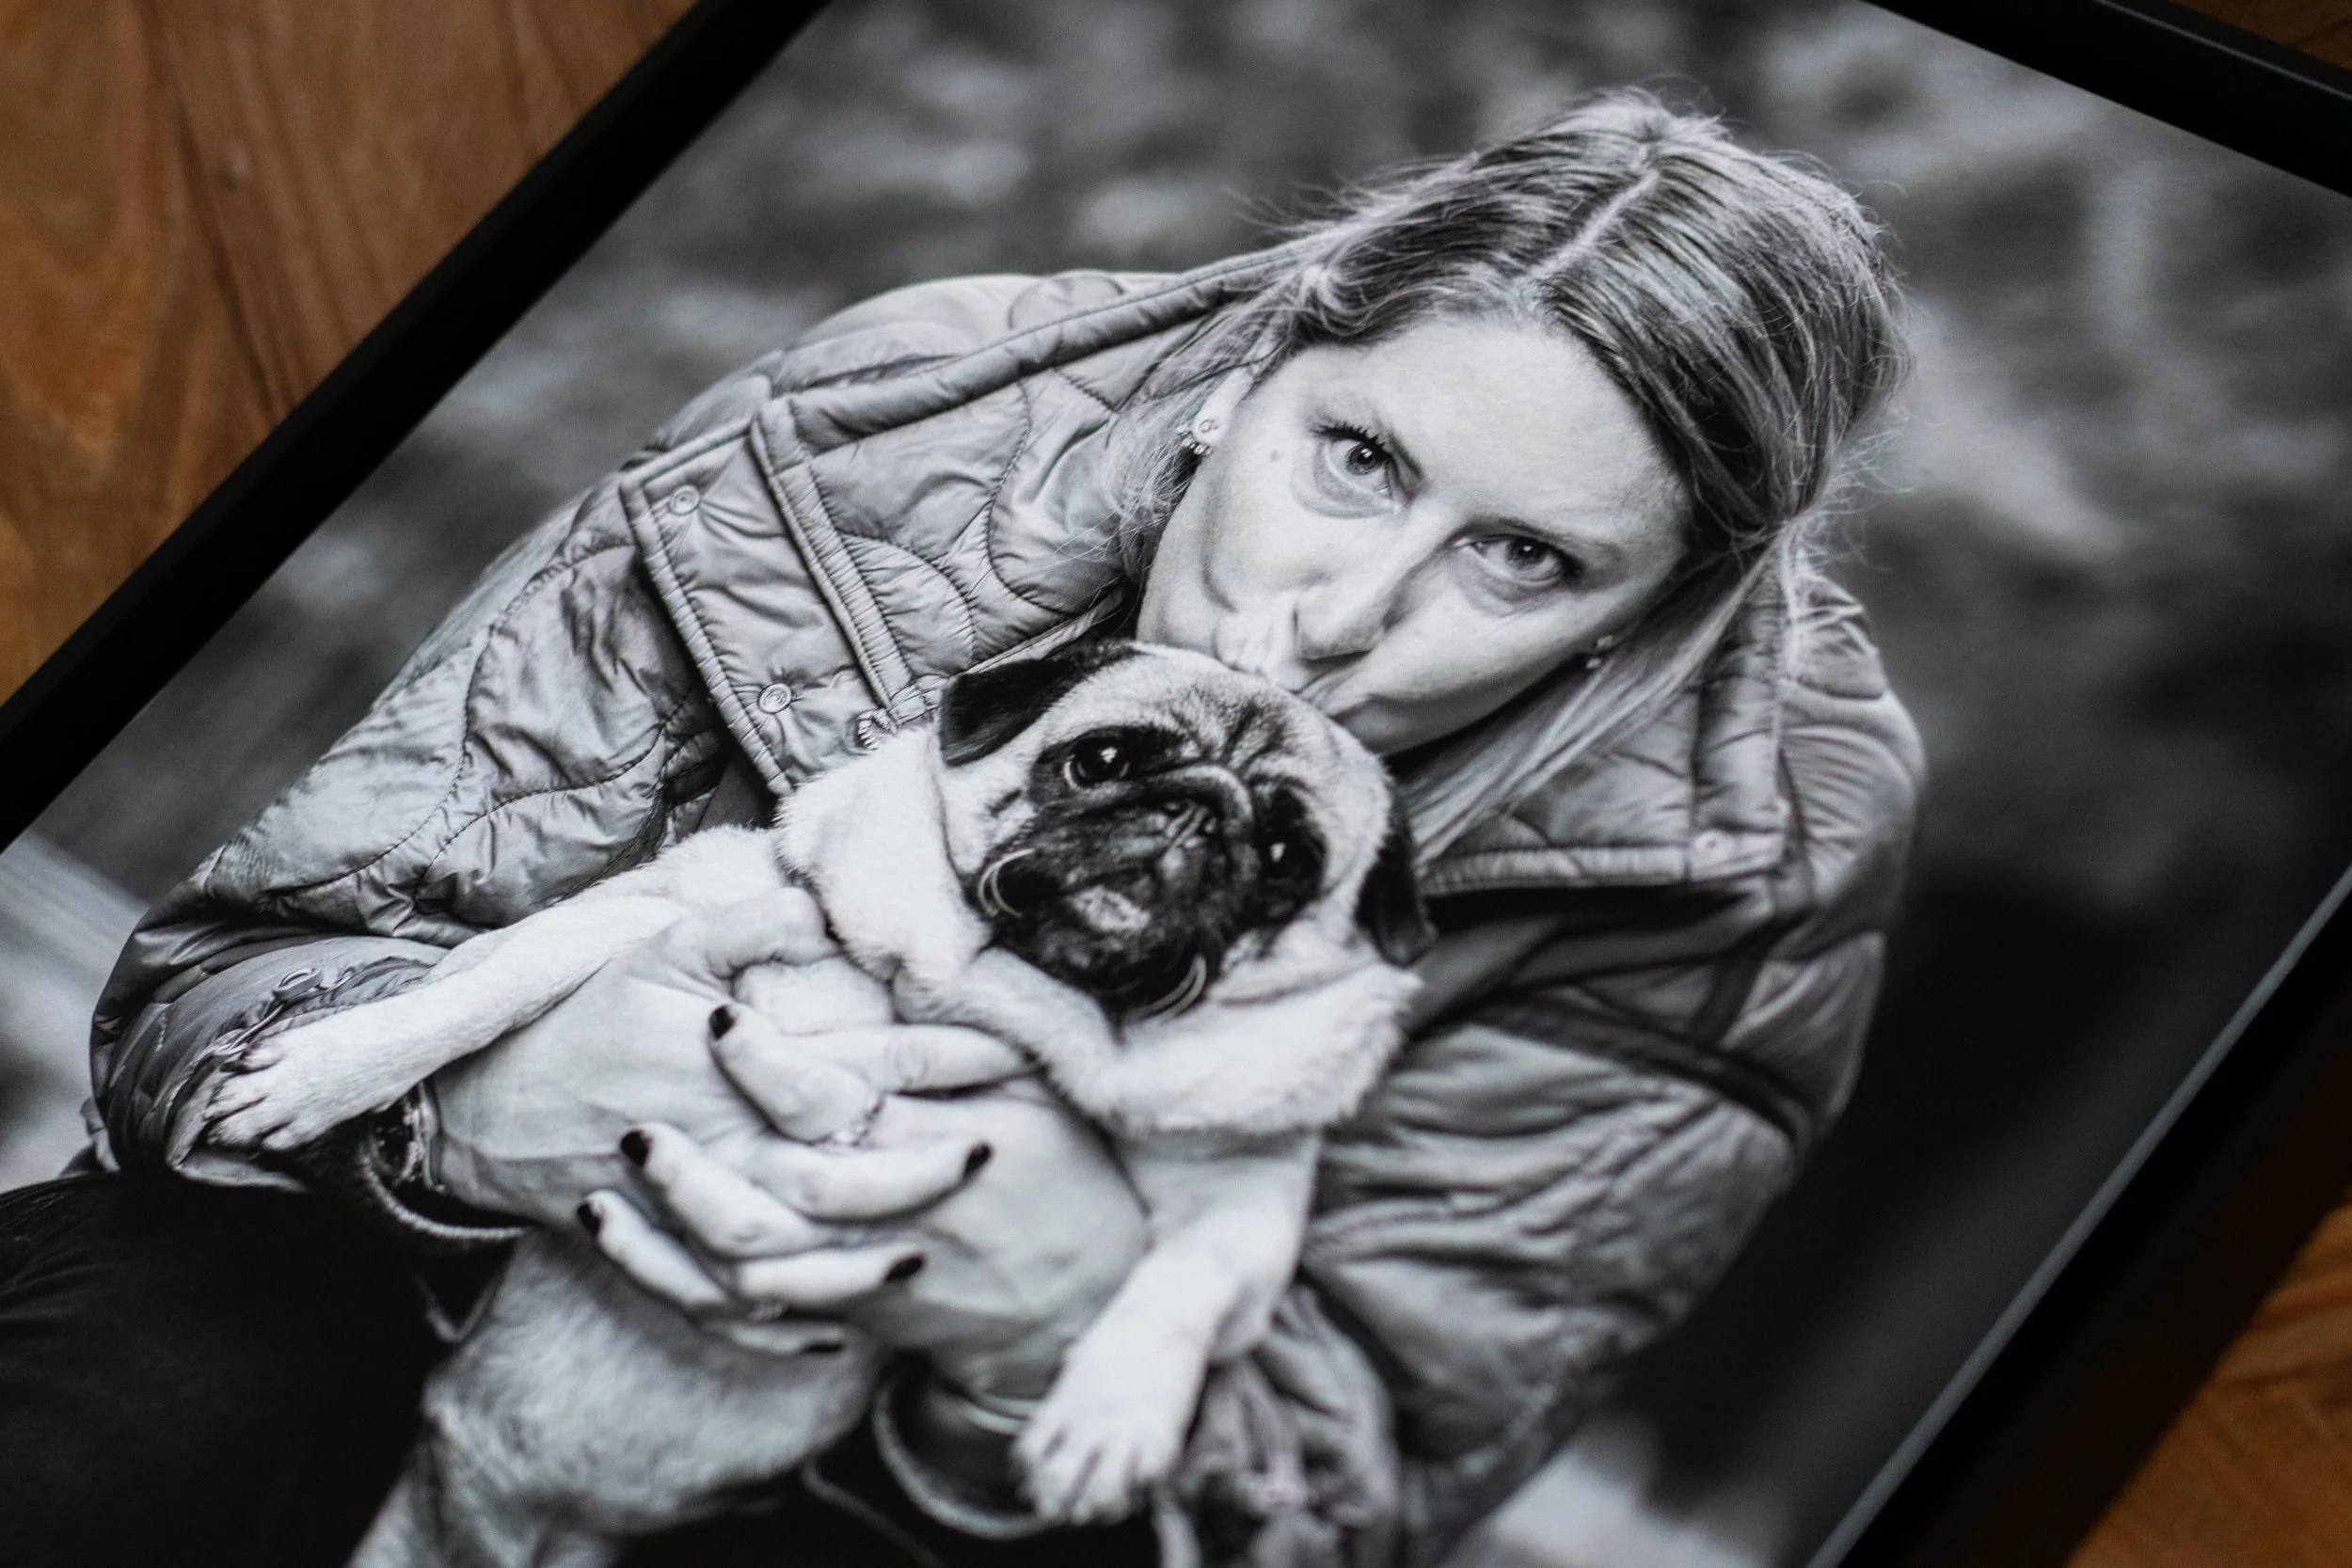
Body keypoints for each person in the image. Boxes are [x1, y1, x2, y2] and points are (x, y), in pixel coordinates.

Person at [0, 91, 1922, 1568]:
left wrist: (1045, 1318)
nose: (1347, 610)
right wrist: (460, 1103)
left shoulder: (1752, 845)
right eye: (1355, 459)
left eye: (1516, 558)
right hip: (366, 1263)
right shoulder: (905, 417)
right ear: (1261, 362)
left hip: (922, 1517)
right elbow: (227, 974)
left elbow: (1348, 1479)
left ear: (1646, 614)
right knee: (138, 1398)